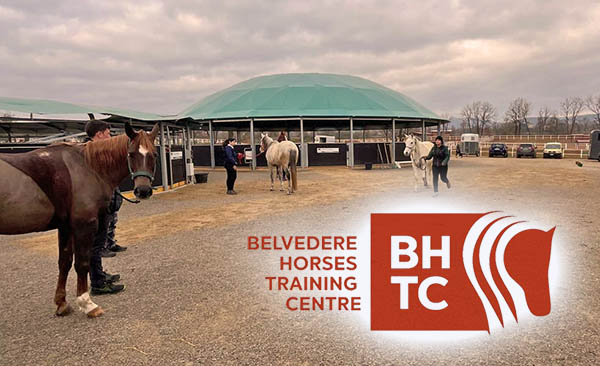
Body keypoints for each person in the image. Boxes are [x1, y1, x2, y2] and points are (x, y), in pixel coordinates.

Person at [84, 120, 125, 295]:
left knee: (99, 244)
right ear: (99, 134)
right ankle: (98, 282)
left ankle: (99, 274)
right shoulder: (90, 153)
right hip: (98, 205)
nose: (110, 137)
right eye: (108, 134)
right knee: (95, 244)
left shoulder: (99, 152)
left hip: (104, 204)